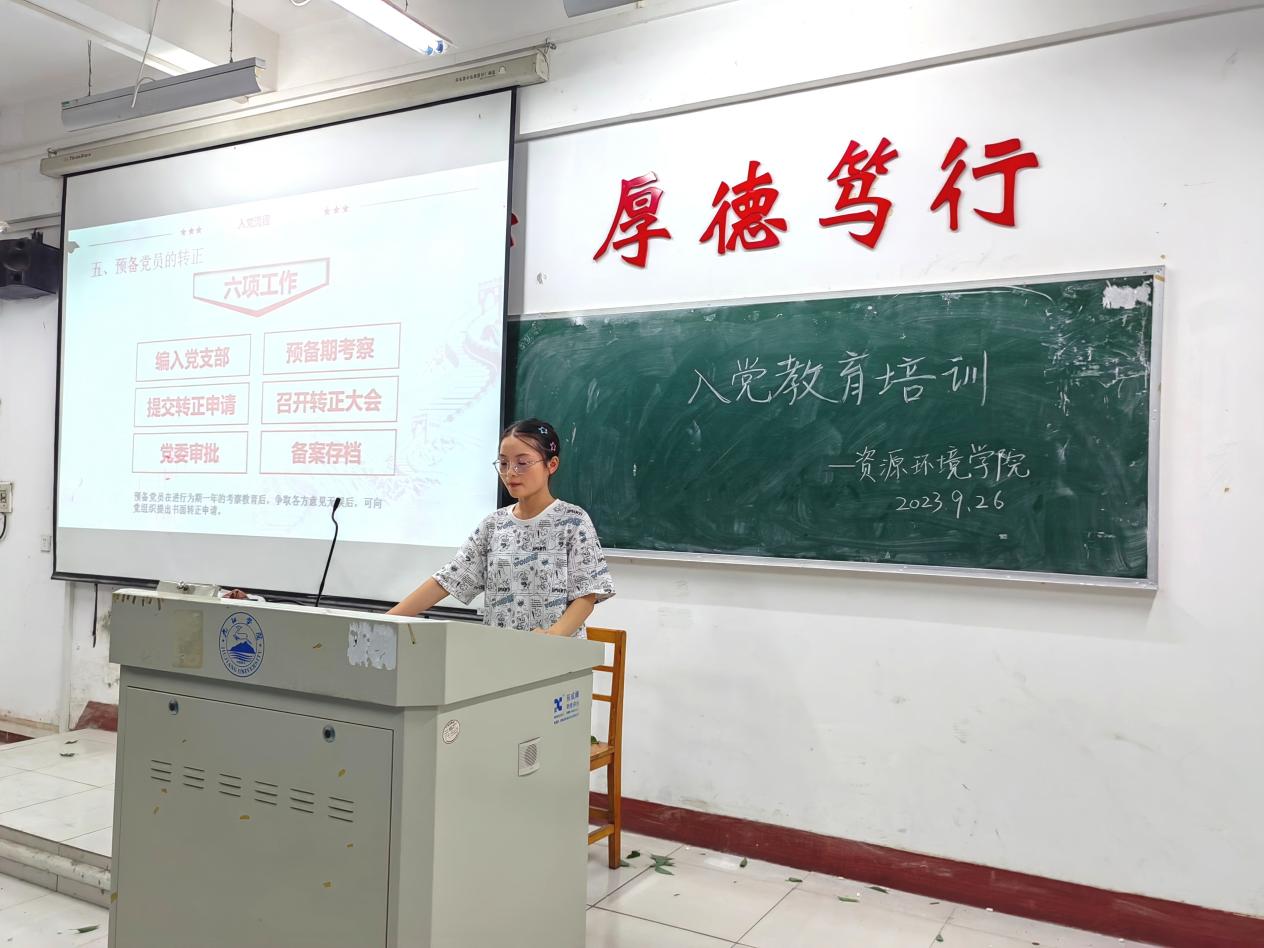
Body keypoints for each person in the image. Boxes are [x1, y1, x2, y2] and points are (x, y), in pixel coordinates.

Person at [387, 418, 615, 636]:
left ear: (551, 464)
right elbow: (448, 580)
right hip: (498, 651)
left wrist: (552, 636)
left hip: (556, 652)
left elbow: (587, 595)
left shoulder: (573, 521)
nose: (511, 472)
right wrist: (386, 620)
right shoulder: (493, 525)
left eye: (522, 463)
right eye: (504, 463)